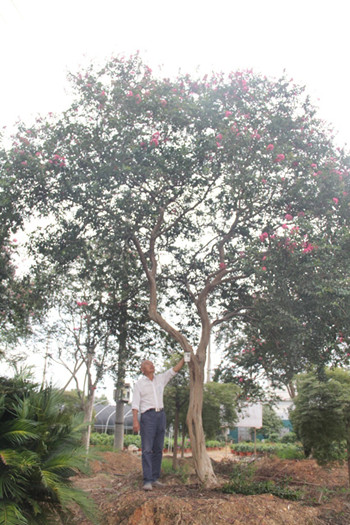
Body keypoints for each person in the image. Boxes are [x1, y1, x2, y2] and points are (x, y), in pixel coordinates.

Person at [132, 355, 186, 491]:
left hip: (160, 415)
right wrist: (135, 421)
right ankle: (147, 480)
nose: (152, 366)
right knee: (147, 449)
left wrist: (185, 358)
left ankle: (155, 478)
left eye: (152, 364)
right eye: (148, 364)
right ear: (142, 369)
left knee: (158, 448)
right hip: (148, 417)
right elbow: (135, 404)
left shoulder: (160, 379)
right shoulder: (139, 384)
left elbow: (174, 370)